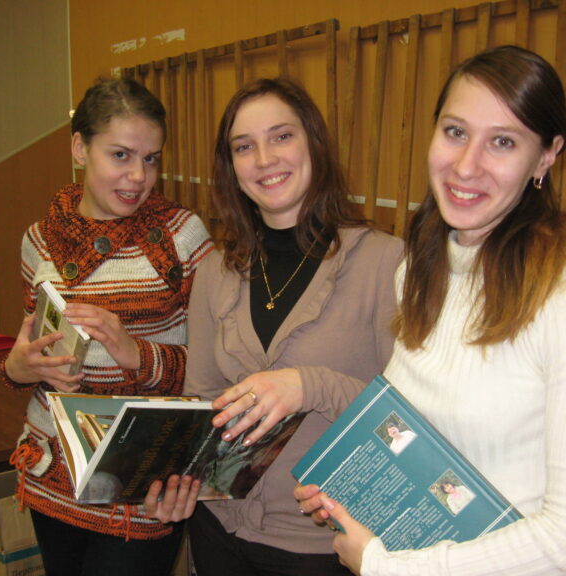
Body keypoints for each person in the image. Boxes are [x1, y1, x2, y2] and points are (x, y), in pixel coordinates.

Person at [295, 45, 566, 575]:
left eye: (503, 142)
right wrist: (354, 495)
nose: (466, 166)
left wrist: (385, 566)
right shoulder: (421, 269)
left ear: (546, 156)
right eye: (455, 132)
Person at [145, 77, 403, 576]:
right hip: (218, 532)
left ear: (314, 144)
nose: (264, 159)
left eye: (281, 136)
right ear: (231, 168)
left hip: (325, 546)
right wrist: (178, 483)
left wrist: (310, 385)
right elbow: (204, 405)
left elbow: (409, 423)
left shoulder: (385, 262)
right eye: (244, 147)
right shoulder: (215, 271)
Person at [1, 77, 213, 576]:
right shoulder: (39, 240)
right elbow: (29, 351)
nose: (139, 176)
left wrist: (136, 353)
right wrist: (19, 368)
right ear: (80, 148)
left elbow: (216, 369)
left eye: (151, 159)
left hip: (141, 480)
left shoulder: (182, 236)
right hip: (53, 470)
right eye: (120, 155)